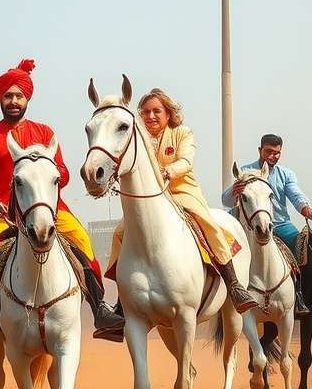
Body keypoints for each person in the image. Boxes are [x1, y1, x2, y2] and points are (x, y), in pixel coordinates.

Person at [0, 59, 124, 360]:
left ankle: (99, 306)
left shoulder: (45, 132)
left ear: (27, 99)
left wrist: (50, 173)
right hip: (2, 213)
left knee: (82, 241)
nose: (13, 101)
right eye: (8, 96)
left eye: (19, 96)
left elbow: (62, 172)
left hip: (49, 208)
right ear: (0, 100)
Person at [107, 88, 256, 313]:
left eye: (156, 111)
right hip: (151, 200)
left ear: (168, 114)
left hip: (182, 192)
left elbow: (186, 161)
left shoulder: (182, 133)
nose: (150, 116)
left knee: (208, 225)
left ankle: (234, 284)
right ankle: (123, 301)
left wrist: (167, 171)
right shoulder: (136, 138)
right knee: (119, 233)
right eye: (145, 112)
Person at [222, 133, 312, 315]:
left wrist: (304, 206)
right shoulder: (245, 170)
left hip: (279, 224)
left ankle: (299, 295)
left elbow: (295, 194)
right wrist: (234, 190)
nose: (273, 156)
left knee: (301, 246)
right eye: (269, 151)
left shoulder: (286, 174)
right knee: (223, 251)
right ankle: (228, 294)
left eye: (277, 153)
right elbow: (226, 201)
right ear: (260, 150)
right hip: (246, 228)